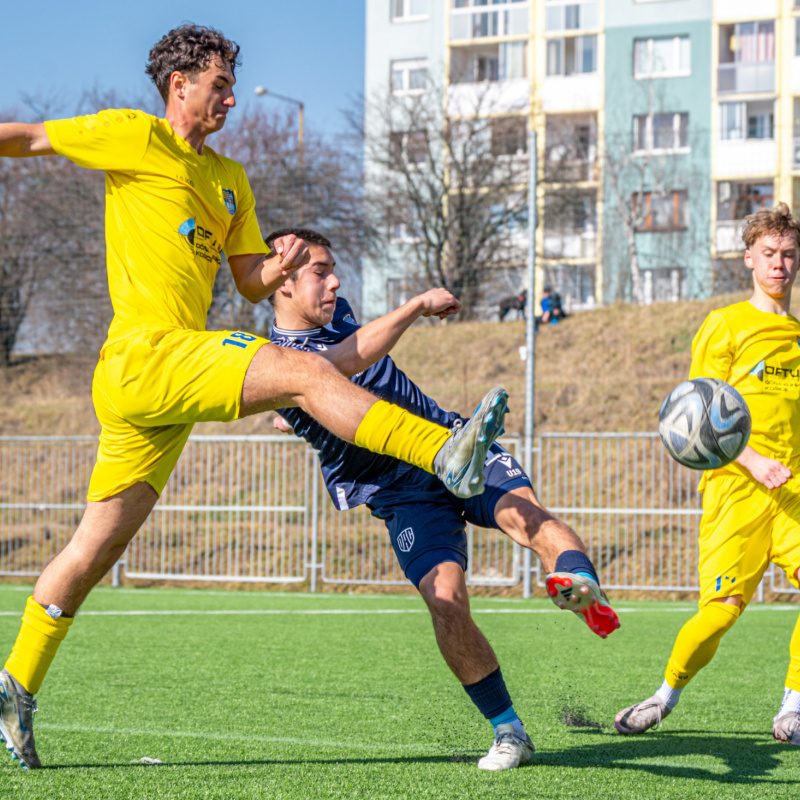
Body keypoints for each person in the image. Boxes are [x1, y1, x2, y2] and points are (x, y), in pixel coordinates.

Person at [0, 25, 510, 770]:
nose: (231, 99)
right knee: (308, 376)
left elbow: (243, 279)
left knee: (97, 545)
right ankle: (442, 451)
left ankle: (16, 685)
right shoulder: (131, 136)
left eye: (233, 86)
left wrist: (278, 271)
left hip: (164, 381)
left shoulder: (230, 179)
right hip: (146, 353)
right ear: (179, 84)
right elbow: (29, 138)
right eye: (218, 86)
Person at [265, 227, 621, 772]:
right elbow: (339, 363)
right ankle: (509, 731)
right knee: (446, 601)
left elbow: (348, 350)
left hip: (453, 444)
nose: (335, 281)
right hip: (399, 492)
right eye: (320, 272)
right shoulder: (272, 364)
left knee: (527, 517)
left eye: (333, 269)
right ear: (282, 282)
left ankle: (577, 582)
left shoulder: (332, 313)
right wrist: (416, 304)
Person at [615, 203, 800, 746]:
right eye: (769, 254)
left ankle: (793, 708)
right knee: (719, 614)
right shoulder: (725, 326)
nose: (779, 265)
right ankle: (663, 695)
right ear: (749, 258)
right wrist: (752, 460)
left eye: (789, 255)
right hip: (736, 493)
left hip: (793, 495)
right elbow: (692, 419)